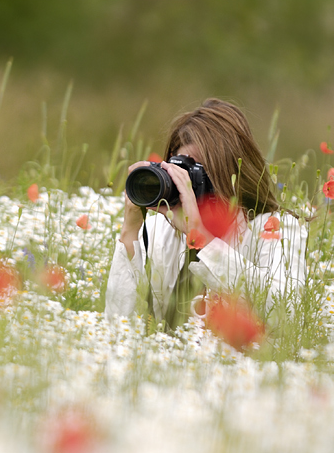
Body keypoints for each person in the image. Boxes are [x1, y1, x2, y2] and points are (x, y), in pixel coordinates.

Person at [105, 98, 307, 331]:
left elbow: (287, 316)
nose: (186, 183)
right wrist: (130, 230)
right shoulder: (158, 231)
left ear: (232, 172)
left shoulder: (274, 229)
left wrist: (201, 238)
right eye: (180, 171)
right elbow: (117, 329)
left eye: (197, 172)